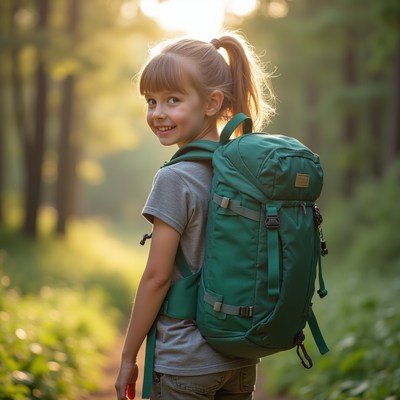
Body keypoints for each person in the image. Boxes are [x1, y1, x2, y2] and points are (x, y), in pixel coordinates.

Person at [115, 31, 275, 400]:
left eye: (173, 99)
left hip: (185, 363)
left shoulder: (174, 178)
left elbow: (157, 278)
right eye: (151, 101)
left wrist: (128, 355)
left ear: (212, 102)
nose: (158, 113)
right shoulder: (244, 171)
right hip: (238, 357)